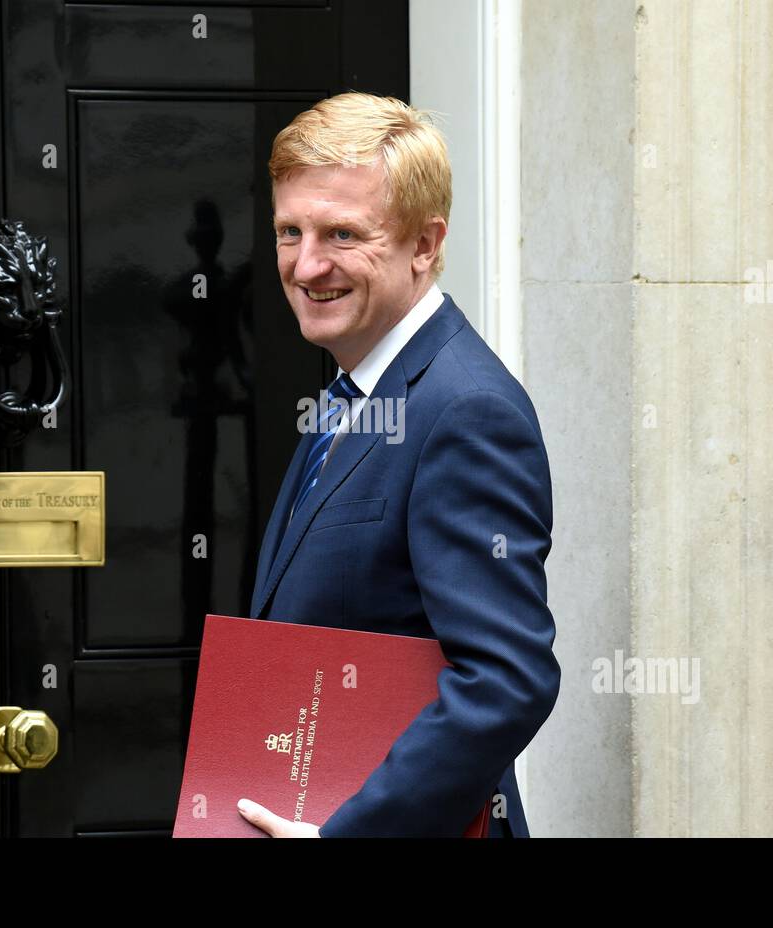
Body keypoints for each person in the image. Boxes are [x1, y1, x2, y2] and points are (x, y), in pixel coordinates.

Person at [237, 92, 560, 838]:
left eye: (343, 233)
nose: (306, 264)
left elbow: (510, 679)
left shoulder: (467, 411)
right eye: (291, 231)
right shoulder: (354, 387)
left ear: (424, 243)